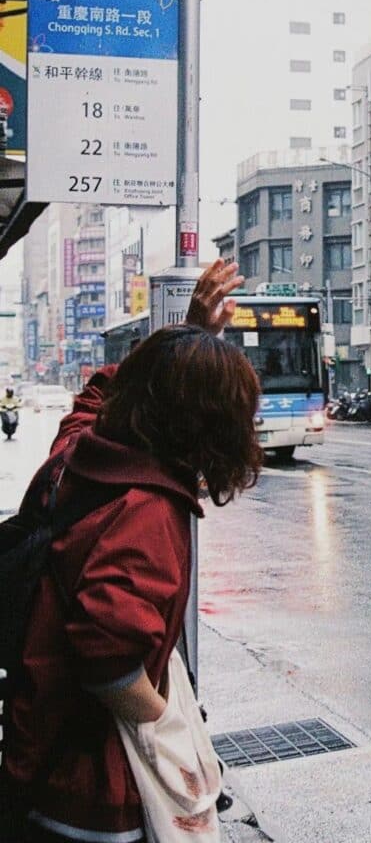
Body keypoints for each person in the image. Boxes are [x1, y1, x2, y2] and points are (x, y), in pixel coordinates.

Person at [0, 261, 262, 843]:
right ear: (209, 427)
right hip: (93, 794)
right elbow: (107, 657)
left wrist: (187, 339)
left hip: (35, 746)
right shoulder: (146, 511)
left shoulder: (80, 454)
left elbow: (98, 392)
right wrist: (168, 725)